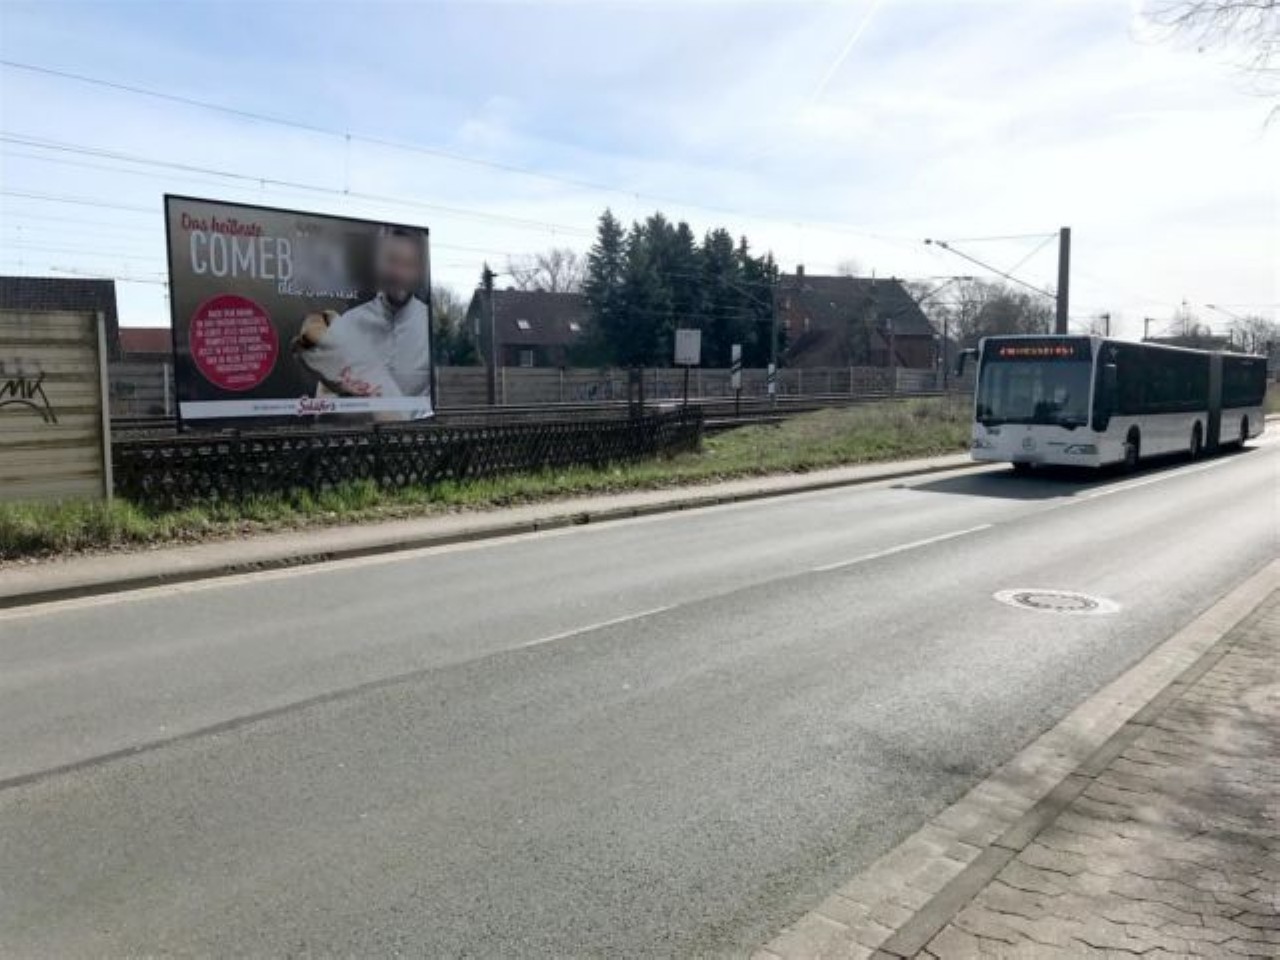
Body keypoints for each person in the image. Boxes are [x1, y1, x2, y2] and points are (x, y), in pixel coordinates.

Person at [294, 228, 432, 420]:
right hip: (364, 437)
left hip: (418, 436)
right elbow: (323, 408)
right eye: (392, 260)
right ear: (379, 263)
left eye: (408, 264)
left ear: (419, 270)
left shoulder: (430, 328)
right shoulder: (349, 323)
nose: (399, 273)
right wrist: (354, 401)